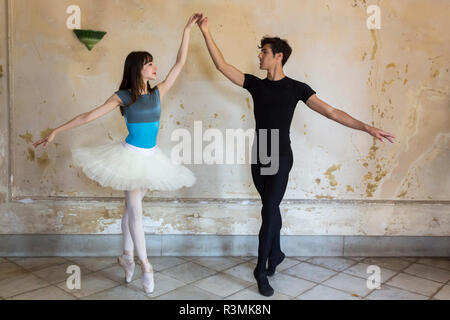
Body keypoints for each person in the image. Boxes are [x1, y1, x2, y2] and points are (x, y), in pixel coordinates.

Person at [195, 14, 395, 297]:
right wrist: (205, 31)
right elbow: (221, 65)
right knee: (270, 208)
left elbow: (331, 111)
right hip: (260, 152)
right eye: (260, 52)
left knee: (268, 209)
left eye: (263, 52)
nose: (259, 57)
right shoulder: (255, 84)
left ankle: (261, 270)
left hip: (281, 155)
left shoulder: (297, 88)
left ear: (278, 56)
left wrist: (367, 127)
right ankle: (276, 253)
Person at [32, 13, 202, 295]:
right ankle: (146, 265)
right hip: (130, 157)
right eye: (149, 64)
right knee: (135, 210)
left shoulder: (158, 93)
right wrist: (56, 131)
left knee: (129, 208)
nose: (154, 67)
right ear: (138, 69)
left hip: (152, 159)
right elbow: (87, 116)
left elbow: (180, 63)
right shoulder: (122, 97)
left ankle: (126, 256)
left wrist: (187, 29)